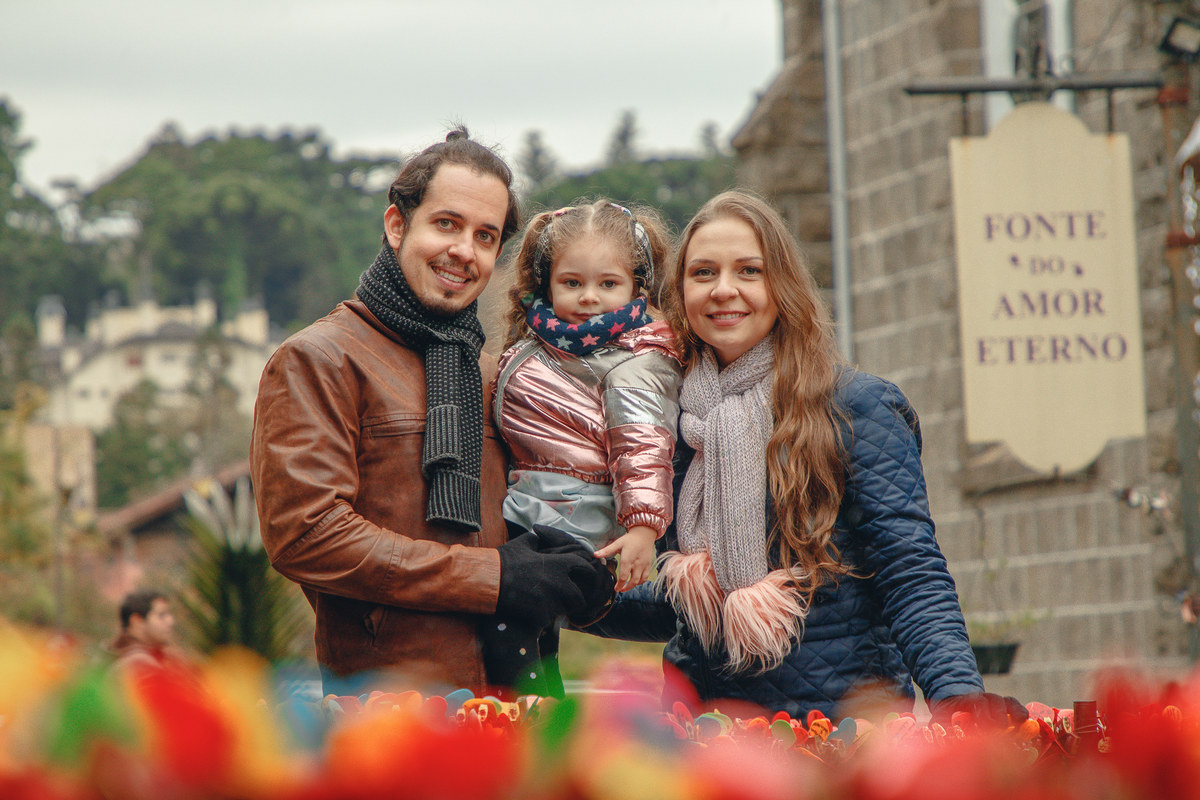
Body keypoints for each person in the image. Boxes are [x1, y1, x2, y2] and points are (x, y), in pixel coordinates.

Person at [584, 191, 1026, 726]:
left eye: (749, 270)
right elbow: (690, 607)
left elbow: (909, 573)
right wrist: (567, 593)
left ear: (782, 285)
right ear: (680, 292)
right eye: (703, 272)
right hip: (705, 737)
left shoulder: (857, 407)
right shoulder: (667, 422)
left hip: (842, 734)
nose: (725, 290)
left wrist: (957, 698)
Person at [250, 128, 614, 697]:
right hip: (391, 713)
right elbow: (308, 536)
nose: (464, 251)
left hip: (519, 701)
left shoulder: (497, 373)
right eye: (446, 224)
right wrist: (493, 579)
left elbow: (542, 518)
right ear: (397, 225)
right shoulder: (318, 359)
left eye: (485, 236)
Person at [484, 200, 681, 694]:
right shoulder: (545, 341)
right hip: (535, 503)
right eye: (572, 283)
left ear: (638, 286)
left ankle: (530, 718)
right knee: (524, 631)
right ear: (547, 283)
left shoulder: (632, 360)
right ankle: (534, 714)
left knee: (511, 626)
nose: (589, 298)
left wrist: (642, 529)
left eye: (607, 284)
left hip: (579, 516)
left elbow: (643, 446)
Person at [108, 589, 184, 674]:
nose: (171, 621)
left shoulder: (161, 657)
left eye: (169, 615)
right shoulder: (137, 666)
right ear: (137, 622)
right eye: (161, 615)